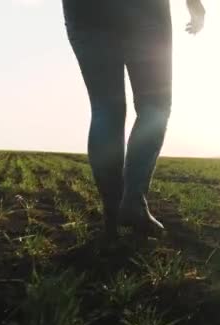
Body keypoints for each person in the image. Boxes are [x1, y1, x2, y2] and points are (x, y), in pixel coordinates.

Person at [63, 0, 206, 238]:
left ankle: (111, 213)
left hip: (84, 11)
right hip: (145, 10)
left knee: (105, 107)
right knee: (154, 106)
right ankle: (132, 203)